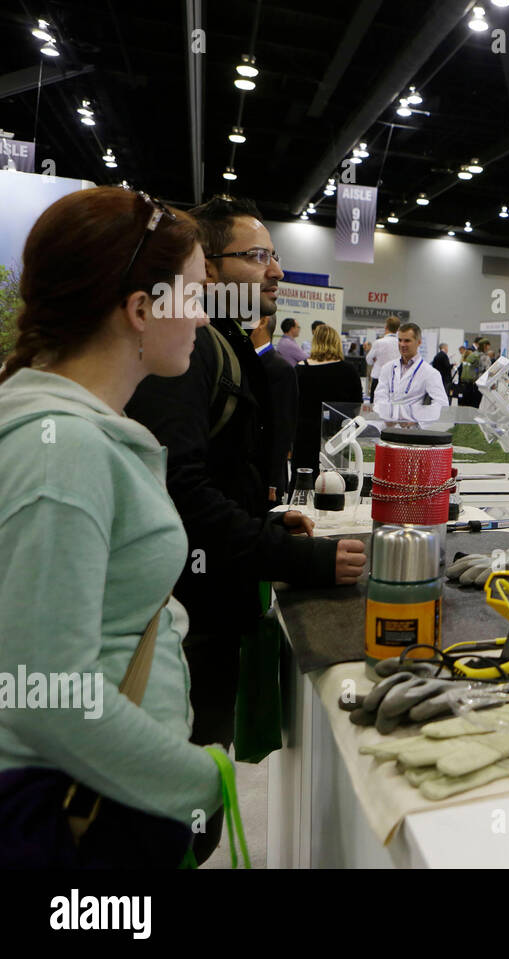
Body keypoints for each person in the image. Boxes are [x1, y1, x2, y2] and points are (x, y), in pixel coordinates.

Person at [125, 196, 366, 861]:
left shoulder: (225, 347)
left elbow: (208, 479)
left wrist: (263, 520)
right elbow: (181, 493)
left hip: (208, 611)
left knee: (195, 807)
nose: (273, 271)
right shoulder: (191, 351)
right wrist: (295, 556)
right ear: (208, 263)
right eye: (255, 256)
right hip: (183, 622)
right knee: (180, 820)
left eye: (274, 255)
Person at [0, 187, 224, 866]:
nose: (204, 315)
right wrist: (204, 784)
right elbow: (49, 689)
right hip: (76, 815)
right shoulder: (63, 450)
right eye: (192, 293)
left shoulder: (80, 433)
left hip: (104, 797)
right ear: (138, 310)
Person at [293, 323, 363, 485]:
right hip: (336, 437)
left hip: (304, 435)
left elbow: (293, 405)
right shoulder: (348, 371)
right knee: (335, 483)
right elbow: (356, 407)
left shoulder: (300, 369)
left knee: (303, 482)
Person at [253, 314, 298, 502]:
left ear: (261, 323)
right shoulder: (243, 360)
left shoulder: (281, 369)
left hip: (266, 473)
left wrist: (274, 480)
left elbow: (283, 426)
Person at [373, 322, 449, 413]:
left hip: (411, 424)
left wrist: (416, 419)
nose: (402, 344)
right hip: (385, 422)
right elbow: (379, 396)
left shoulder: (430, 373)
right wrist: (386, 415)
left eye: (407, 341)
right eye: (400, 340)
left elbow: (441, 404)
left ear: (419, 342)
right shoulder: (387, 368)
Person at [366, 316, 401, 398]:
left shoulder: (378, 342)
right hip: (395, 379)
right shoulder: (400, 344)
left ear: (386, 327)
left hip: (379, 377)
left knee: (375, 406)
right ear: (398, 329)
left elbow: (369, 360)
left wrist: (375, 360)